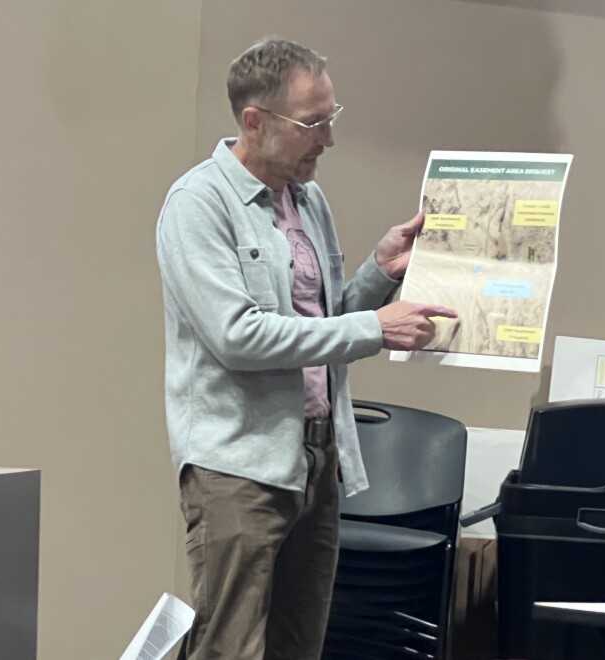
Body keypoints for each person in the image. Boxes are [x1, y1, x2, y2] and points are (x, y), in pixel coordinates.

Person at [155, 37, 456, 660]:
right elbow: (240, 335)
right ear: (254, 121)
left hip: (315, 458)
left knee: (300, 646)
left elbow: (320, 325)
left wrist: (379, 272)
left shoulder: (307, 198)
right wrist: (377, 327)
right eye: (312, 123)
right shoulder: (197, 204)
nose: (328, 139)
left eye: (331, 118)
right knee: (230, 647)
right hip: (237, 468)